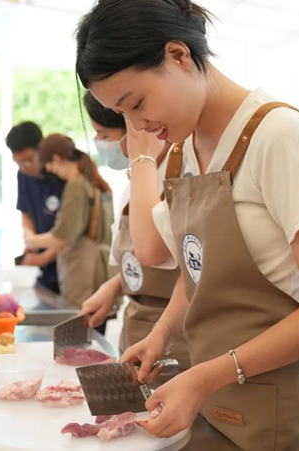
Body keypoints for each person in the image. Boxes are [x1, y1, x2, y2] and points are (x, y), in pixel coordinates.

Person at [76, 0, 299, 448]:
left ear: (178, 55)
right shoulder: (182, 150)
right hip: (212, 402)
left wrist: (206, 377)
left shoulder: (279, 136)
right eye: (122, 116)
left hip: (284, 412)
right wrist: (162, 333)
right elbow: (199, 271)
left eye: (136, 103)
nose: (137, 125)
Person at [80, 93, 189, 370]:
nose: (101, 144)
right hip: (136, 324)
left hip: (175, 334)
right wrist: (114, 286)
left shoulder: (179, 170)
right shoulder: (138, 174)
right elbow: (137, 255)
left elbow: (153, 251)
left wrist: (142, 158)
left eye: (103, 135)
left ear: (132, 125)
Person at [24, 134, 114, 308]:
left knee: (84, 330)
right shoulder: (94, 182)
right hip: (101, 274)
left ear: (57, 159)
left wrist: (32, 239)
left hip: (84, 277)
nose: (54, 173)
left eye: (51, 167)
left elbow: (63, 237)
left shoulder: (76, 186)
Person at [6, 121, 65, 293]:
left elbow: (72, 231)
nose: (23, 167)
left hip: (66, 261)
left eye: (28, 160)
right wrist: (30, 237)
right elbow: (25, 211)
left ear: (42, 150)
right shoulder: (23, 176)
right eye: (17, 162)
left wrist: (45, 257)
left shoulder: (61, 176)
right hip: (40, 265)